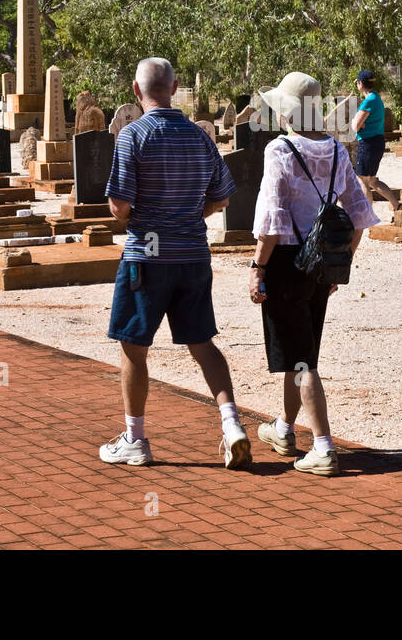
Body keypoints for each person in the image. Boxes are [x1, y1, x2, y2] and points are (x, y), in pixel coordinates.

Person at [99, 57, 252, 470]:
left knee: (133, 347)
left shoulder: (132, 136)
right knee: (202, 342)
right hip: (192, 254)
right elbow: (221, 195)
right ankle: (232, 424)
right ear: (176, 86)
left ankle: (135, 438)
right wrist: (188, 213)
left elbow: (120, 206)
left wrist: (146, 216)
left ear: (136, 90)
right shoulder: (199, 137)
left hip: (146, 255)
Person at [249, 72, 380, 477]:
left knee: (302, 359)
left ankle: (323, 446)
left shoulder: (280, 150)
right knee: (298, 351)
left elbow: (271, 222)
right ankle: (284, 430)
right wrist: (341, 262)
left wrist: (257, 267)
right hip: (321, 264)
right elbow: (360, 215)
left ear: (286, 111)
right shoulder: (338, 152)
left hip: (287, 262)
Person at [349, 70, 402, 214]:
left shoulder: (368, 101)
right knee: (372, 180)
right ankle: (397, 205)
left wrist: (356, 121)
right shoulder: (376, 98)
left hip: (368, 144)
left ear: (360, 84)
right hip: (376, 142)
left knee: (362, 180)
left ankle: (367, 214)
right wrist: (360, 123)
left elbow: (354, 126)